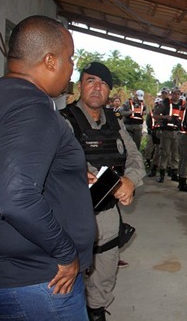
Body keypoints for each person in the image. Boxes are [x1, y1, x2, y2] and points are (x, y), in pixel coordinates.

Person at [0, 15, 96, 320]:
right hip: (38, 278)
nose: (71, 69)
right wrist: (66, 253)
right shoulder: (33, 108)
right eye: (69, 59)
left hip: (7, 266)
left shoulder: (2, 94)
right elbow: (16, 196)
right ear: (50, 61)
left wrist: (65, 173)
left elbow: (3, 165)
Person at [60, 62, 145, 320]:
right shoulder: (63, 121)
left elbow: (134, 158)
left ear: (109, 90)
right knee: (66, 279)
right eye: (90, 81)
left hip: (106, 213)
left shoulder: (115, 123)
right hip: (70, 215)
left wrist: (129, 181)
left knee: (104, 272)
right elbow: (65, 161)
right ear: (80, 86)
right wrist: (109, 181)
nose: (97, 88)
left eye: (103, 83)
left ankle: (96, 311)